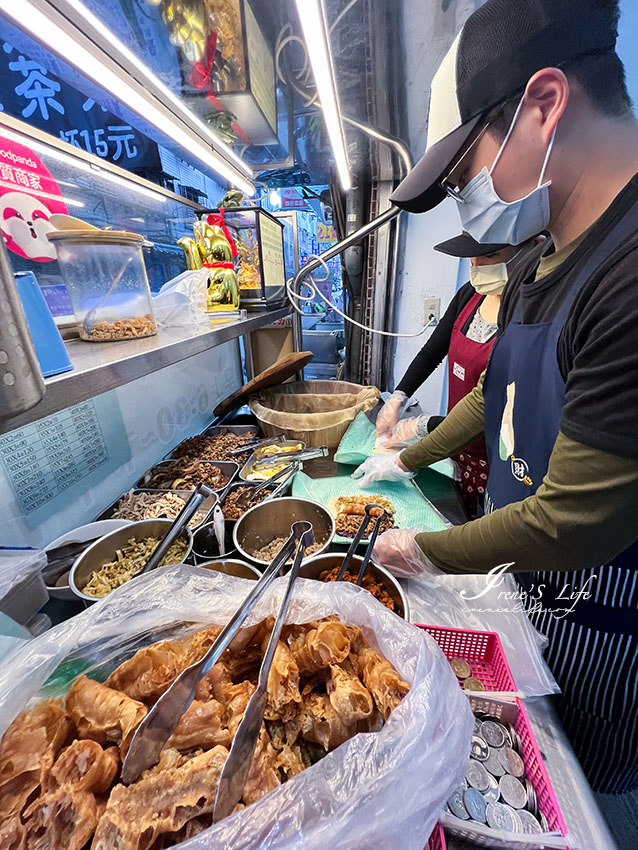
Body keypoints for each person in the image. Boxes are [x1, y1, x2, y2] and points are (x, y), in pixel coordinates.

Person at [353, 0, 638, 817]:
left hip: (602, 618)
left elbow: (571, 524)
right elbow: (494, 389)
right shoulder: (538, 257)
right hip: (520, 589)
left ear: (545, 104)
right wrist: (404, 456)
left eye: (462, 169)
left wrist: (426, 548)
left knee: (582, 800)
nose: (461, 201)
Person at [377, 232, 543, 518]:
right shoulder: (470, 294)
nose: (476, 265)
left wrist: (422, 426)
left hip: (501, 460)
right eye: (471, 255)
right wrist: (398, 398)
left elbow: (493, 407)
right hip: (455, 449)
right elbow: (431, 353)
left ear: (534, 248)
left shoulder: (533, 315)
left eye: (489, 256)